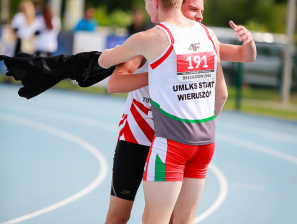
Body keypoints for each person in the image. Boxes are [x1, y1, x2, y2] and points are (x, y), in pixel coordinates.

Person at [104, 0, 256, 223]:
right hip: (138, 136)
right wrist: (161, 73)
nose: (199, 16)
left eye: (202, 12)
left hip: (174, 138)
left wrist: (249, 41)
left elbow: (243, 56)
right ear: (177, 6)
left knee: (167, 216)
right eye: (193, 9)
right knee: (119, 214)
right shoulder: (151, 41)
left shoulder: (200, 40)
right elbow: (114, 84)